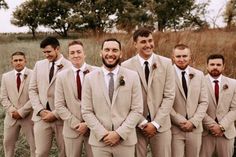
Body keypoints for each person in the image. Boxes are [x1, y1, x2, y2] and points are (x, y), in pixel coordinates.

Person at [81, 38, 143, 157]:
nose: (110, 54)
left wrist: (119, 134)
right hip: (100, 141)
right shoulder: (89, 78)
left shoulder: (132, 76)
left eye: (115, 50)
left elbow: (137, 109)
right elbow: (86, 111)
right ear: (101, 53)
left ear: (121, 54)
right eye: (107, 50)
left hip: (125, 140)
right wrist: (103, 134)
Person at [122, 28, 175, 157]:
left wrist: (156, 123)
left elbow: (169, 96)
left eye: (150, 41)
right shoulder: (125, 66)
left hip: (161, 125)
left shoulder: (166, 63)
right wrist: (142, 122)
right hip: (136, 125)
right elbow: (125, 99)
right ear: (135, 44)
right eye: (143, 42)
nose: (148, 45)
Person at [29, 36, 71, 157]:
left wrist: (56, 113)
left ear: (57, 48)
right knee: (40, 153)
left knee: (65, 153)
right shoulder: (39, 65)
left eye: (49, 51)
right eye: (44, 52)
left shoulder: (69, 66)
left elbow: (72, 95)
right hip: (41, 118)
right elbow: (32, 90)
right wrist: (40, 110)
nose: (46, 55)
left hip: (62, 118)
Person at [55, 40, 95, 157]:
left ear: (84, 53)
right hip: (72, 129)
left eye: (79, 52)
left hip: (94, 129)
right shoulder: (61, 76)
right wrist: (77, 124)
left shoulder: (97, 72)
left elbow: (102, 102)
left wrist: (87, 124)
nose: (76, 55)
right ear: (68, 56)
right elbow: (59, 105)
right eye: (72, 53)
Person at [170, 44, 208, 157]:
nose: (181, 59)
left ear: (190, 57)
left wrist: (193, 122)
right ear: (173, 57)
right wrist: (179, 120)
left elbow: (204, 102)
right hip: (175, 128)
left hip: (195, 129)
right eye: (178, 56)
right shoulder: (166, 74)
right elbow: (163, 101)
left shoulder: (199, 75)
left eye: (185, 56)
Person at [200, 54, 236, 157]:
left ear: (223, 66)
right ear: (207, 66)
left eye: (218, 64)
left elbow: (234, 109)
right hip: (205, 133)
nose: (215, 67)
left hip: (226, 133)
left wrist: (221, 126)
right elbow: (197, 107)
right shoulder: (199, 82)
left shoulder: (233, 84)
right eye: (212, 64)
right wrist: (212, 126)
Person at [0, 51, 35, 157]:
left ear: (25, 61)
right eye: (15, 60)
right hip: (11, 117)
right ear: (12, 62)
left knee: (34, 146)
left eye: (20, 60)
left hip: (29, 117)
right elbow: (3, 97)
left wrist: (22, 112)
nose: (18, 62)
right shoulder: (5, 76)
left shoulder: (33, 74)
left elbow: (35, 96)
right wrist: (12, 111)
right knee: (8, 144)